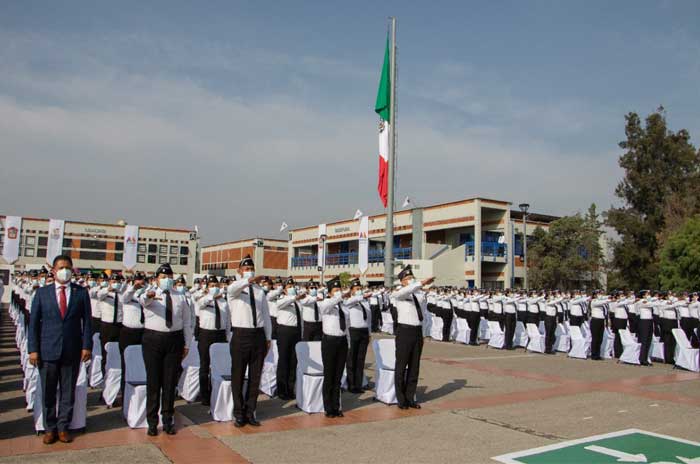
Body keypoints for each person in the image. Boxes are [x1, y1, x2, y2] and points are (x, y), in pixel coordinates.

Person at [28, 254, 92, 445]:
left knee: (68, 391)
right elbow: (33, 324)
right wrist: (33, 349)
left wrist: (86, 345)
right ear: (54, 271)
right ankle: (49, 428)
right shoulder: (42, 293)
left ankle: (63, 427)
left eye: (68, 268)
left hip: (72, 350)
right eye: (61, 267)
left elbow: (87, 322)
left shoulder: (81, 293)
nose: (65, 271)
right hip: (48, 350)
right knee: (48, 392)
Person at [139, 263, 192, 436]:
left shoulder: (180, 297)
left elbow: (186, 322)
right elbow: (143, 301)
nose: (167, 280)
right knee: (153, 382)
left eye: (169, 277)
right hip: (153, 340)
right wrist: (149, 295)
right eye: (163, 277)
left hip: (174, 340)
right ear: (156, 279)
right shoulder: (150, 293)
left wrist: (187, 344)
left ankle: (168, 419)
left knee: (170, 383)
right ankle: (152, 421)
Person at [226, 255, 271, 428]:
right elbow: (232, 289)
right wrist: (248, 280)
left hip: (258, 335)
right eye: (245, 269)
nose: (249, 271)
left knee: (255, 376)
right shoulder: (235, 289)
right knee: (238, 375)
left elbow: (265, 315)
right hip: (240, 335)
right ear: (239, 271)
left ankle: (250, 411)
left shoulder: (259, 290)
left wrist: (268, 337)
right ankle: (238, 413)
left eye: (251, 268)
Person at [392, 265, 433, 410]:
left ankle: (410, 397)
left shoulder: (418, 294)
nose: (411, 280)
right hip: (404, 331)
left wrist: (421, 287)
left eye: (412, 277)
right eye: (408, 278)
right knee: (401, 366)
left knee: (414, 366)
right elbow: (404, 292)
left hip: (417, 331)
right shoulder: (399, 293)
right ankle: (401, 399)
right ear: (402, 281)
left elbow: (422, 303)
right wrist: (420, 283)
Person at [197, 276, 230, 406]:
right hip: (206, 334)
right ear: (207, 288)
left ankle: (217, 393)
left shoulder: (224, 302)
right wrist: (211, 296)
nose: (214, 288)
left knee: (219, 366)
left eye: (216, 285)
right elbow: (201, 304)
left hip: (220, 334)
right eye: (211, 286)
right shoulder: (203, 299)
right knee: (205, 365)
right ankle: (205, 396)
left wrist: (227, 337)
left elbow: (227, 321)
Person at [318, 277, 349, 417]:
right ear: (329, 293)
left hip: (342, 341)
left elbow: (347, 324)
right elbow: (325, 307)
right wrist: (338, 297)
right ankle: (328, 407)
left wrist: (347, 340)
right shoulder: (325, 303)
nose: (339, 292)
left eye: (339, 289)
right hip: (329, 342)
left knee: (338, 375)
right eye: (336, 290)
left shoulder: (343, 305)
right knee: (329, 374)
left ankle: (337, 406)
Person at [274, 277, 304, 400]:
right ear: (285, 290)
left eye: (293, 286)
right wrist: (293, 297)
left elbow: (300, 318)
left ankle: (290, 389)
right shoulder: (282, 299)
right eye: (289, 287)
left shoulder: (298, 302)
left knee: (293, 362)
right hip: (284, 332)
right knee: (283, 361)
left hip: (296, 332)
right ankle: (282, 390)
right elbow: (279, 304)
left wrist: (301, 334)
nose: (292, 288)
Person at [344, 278, 371, 394]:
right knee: (351, 359)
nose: (359, 290)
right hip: (353, 331)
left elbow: (369, 319)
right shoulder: (349, 301)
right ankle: (351, 384)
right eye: (357, 289)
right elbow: (348, 302)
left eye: (360, 289)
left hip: (364, 331)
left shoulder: (365, 302)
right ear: (352, 291)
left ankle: (359, 384)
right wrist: (361, 296)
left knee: (360, 359)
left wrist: (369, 333)